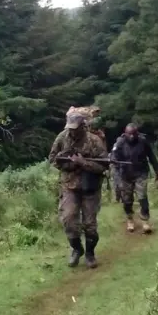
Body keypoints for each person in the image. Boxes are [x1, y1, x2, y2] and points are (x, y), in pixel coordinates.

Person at [49, 111, 107, 268]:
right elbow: (53, 159)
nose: (72, 131)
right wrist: (69, 163)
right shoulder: (62, 137)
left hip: (90, 187)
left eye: (76, 127)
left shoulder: (94, 141)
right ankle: (76, 249)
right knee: (68, 219)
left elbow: (104, 165)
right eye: (70, 127)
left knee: (90, 224)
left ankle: (90, 253)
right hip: (70, 186)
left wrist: (83, 163)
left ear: (83, 126)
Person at [111, 123, 158, 234]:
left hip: (141, 172)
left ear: (137, 133)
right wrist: (115, 160)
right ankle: (130, 219)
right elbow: (113, 155)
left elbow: (152, 157)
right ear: (125, 133)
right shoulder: (120, 142)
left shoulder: (143, 141)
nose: (131, 136)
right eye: (129, 134)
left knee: (142, 196)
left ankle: (145, 220)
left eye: (133, 134)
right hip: (125, 174)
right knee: (127, 199)